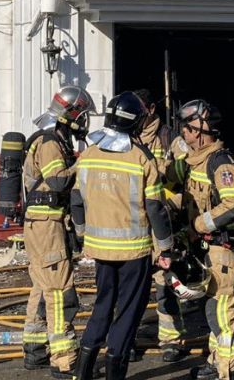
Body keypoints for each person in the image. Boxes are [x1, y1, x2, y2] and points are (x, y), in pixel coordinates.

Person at [70, 91, 175, 380]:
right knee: (128, 313)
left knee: (102, 306)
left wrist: (83, 236)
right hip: (134, 252)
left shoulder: (89, 154)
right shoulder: (141, 158)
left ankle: (83, 372)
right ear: (136, 123)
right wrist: (166, 248)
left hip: (100, 251)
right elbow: (155, 209)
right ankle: (115, 372)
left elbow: (76, 201)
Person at [22, 85, 95, 378]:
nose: (84, 121)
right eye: (82, 115)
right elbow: (57, 182)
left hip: (43, 224)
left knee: (41, 286)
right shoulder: (51, 141)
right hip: (47, 225)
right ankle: (64, 360)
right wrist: (83, 162)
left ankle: (35, 348)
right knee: (59, 291)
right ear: (71, 113)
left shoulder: (53, 137)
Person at [175, 100, 234, 380]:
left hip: (220, 248)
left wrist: (199, 224)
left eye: (187, 127)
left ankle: (229, 370)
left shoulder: (220, 162)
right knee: (212, 309)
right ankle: (217, 362)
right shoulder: (196, 161)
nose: (183, 132)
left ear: (201, 129)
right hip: (205, 248)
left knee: (222, 313)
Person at [132, 89, 187, 362]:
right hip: (134, 226)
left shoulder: (170, 139)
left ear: (151, 109)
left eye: (139, 108)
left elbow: (188, 172)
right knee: (131, 285)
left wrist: (171, 203)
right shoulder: (126, 140)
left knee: (166, 283)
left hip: (163, 223)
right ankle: (127, 338)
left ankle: (171, 340)